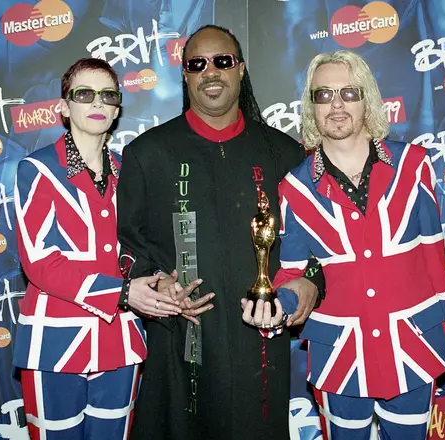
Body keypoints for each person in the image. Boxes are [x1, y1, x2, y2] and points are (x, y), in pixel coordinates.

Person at [116, 25, 323, 440]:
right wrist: (154, 283)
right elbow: (128, 246)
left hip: (262, 342)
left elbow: (320, 247)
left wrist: (309, 285)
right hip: (182, 341)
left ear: (241, 69)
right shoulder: (147, 154)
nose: (211, 72)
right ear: (186, 76)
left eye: (222, 61)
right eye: (197, 64)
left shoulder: (284, 153)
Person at [269, 50, 445, 440]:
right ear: (311, 107)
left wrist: (438, 328)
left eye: (348, 93)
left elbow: (434, 257)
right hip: (339, 353)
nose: (336, 105)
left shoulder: (414, 165)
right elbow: (293, 272)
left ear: (367, 99)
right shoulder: (294, 188)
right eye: (323, 95)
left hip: (413, 346)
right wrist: (277, 304)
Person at [12, 58, 181, 439]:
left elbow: (136, 246)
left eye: (108, 95)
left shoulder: (129, 170)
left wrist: (155, 279)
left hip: (119, 341)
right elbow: (40, 263)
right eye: (84, 94)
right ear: (63, 106)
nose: (97, 103)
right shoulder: (36, 170)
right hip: (54, 342)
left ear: (118, 107)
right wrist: (122, 292)